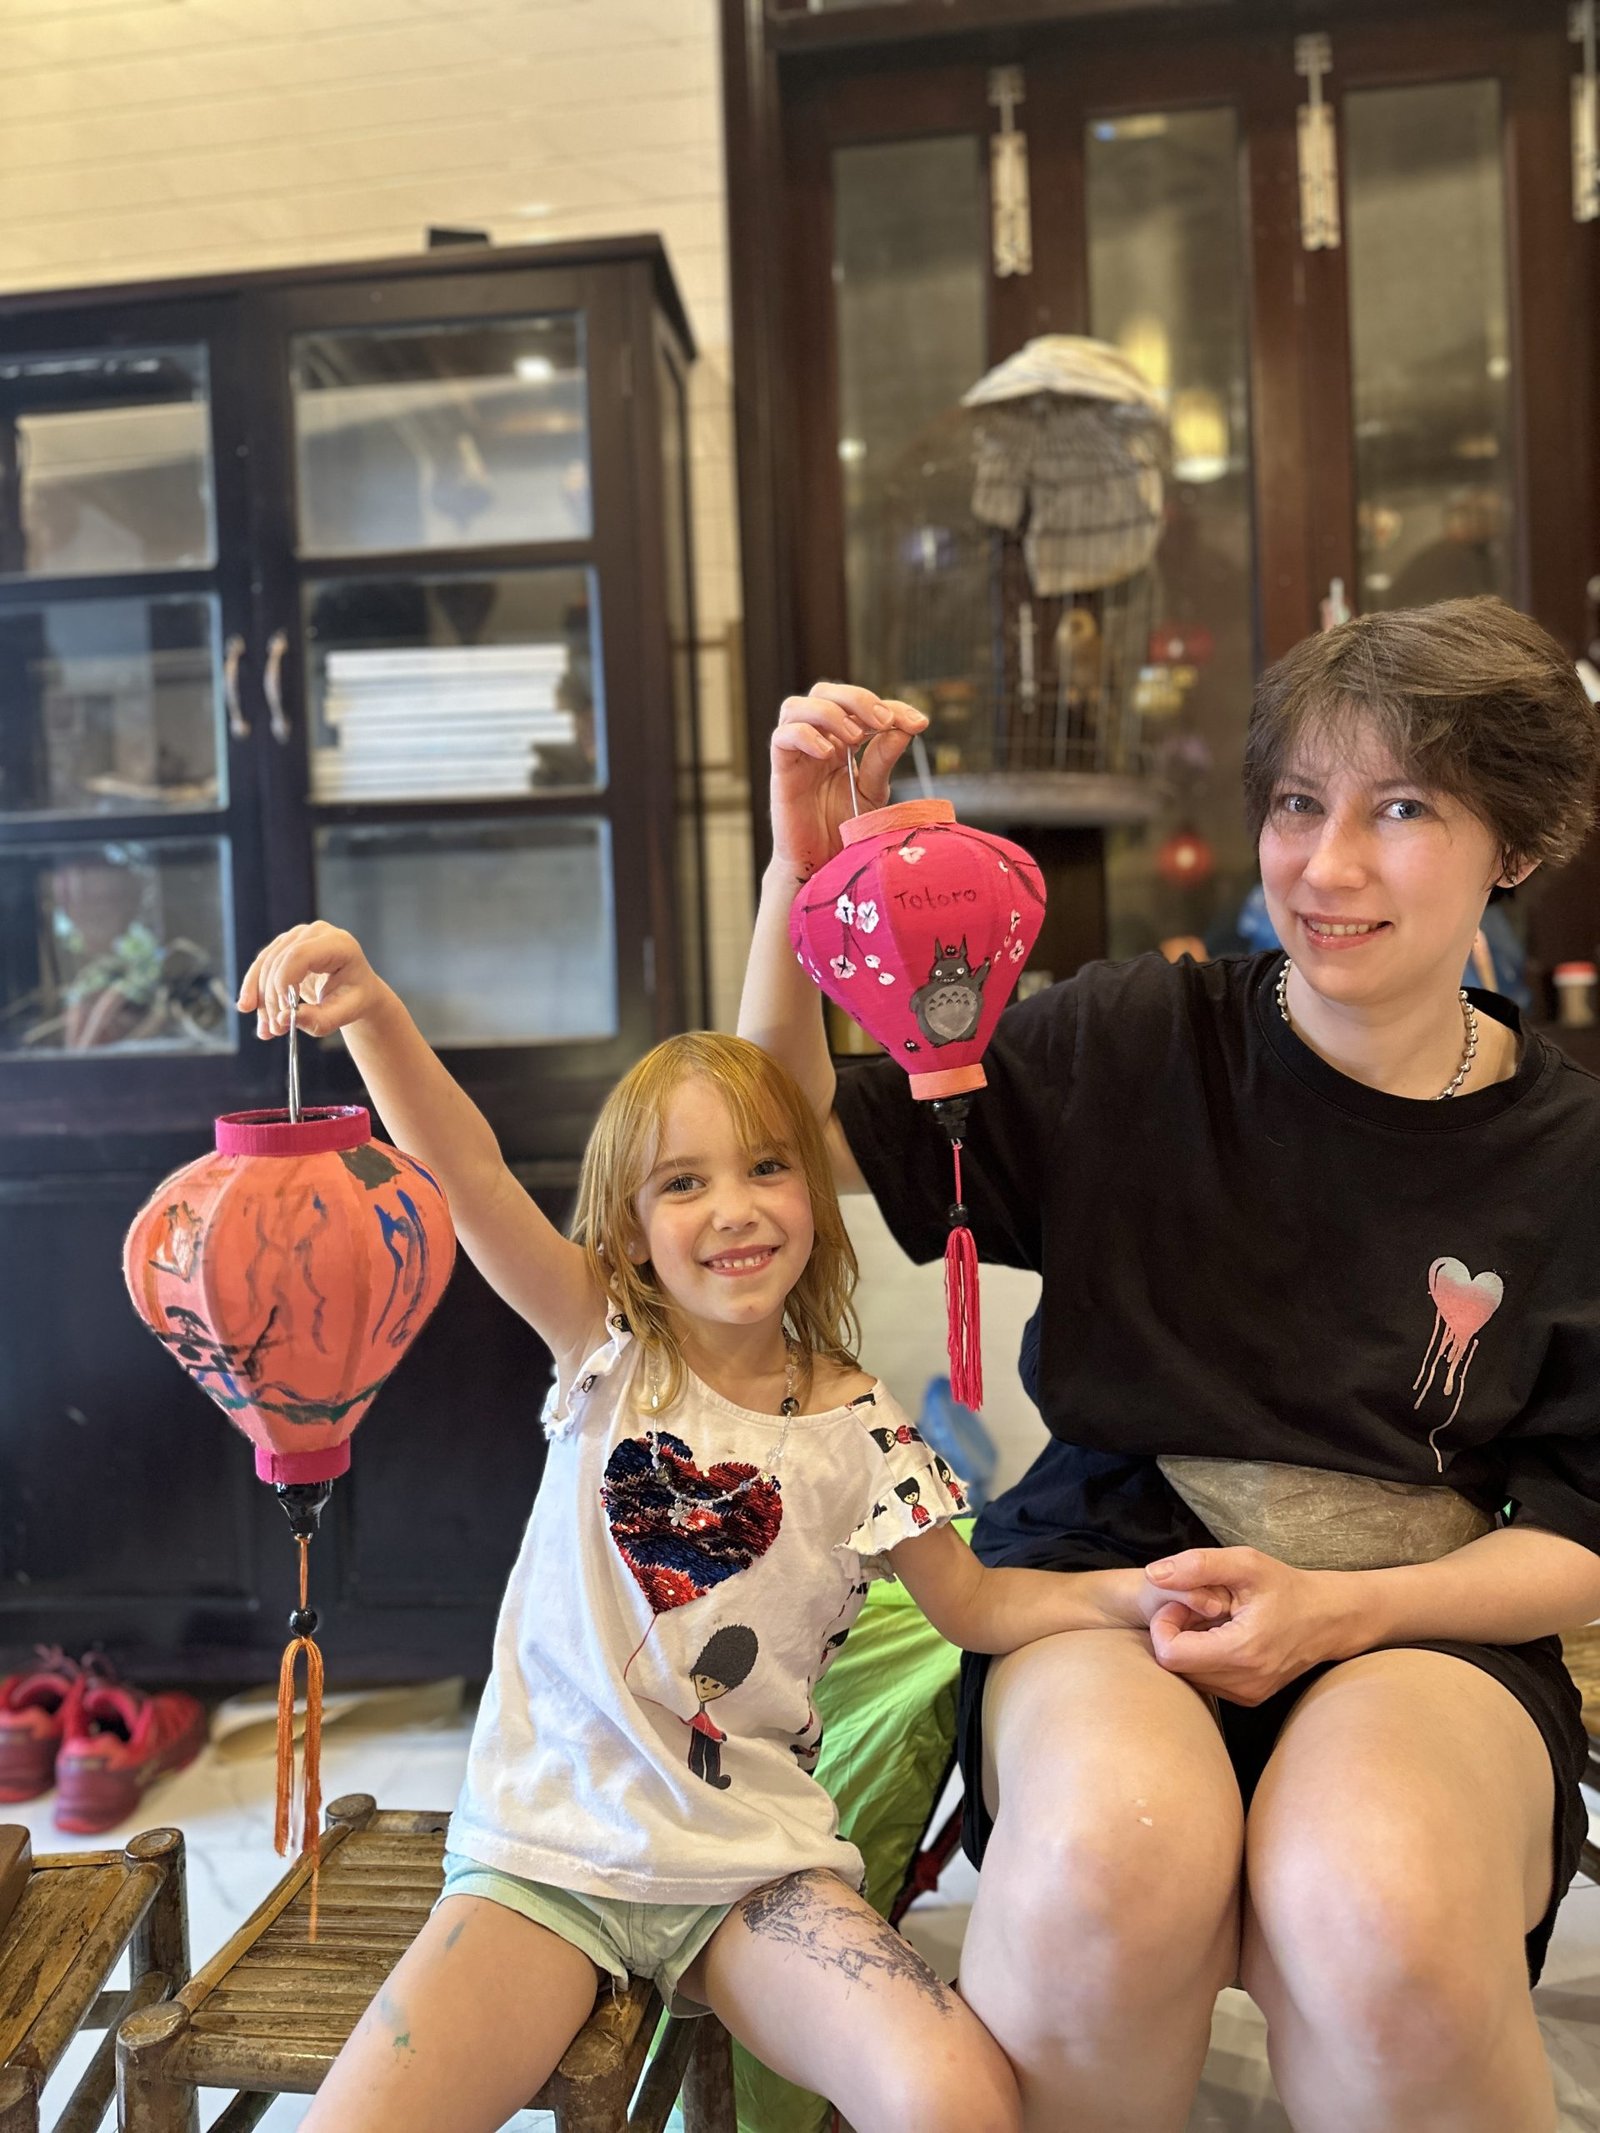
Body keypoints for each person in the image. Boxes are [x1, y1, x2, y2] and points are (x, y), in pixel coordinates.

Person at [738, 595, 1600, 2133]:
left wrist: (1347, 1608)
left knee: (1378, 1907)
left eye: (1401, 808)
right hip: (1106, 1573)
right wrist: (799, 883)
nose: (1325, 867)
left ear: (1516, 847)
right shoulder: (1138, 1035)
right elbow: (773, 1157)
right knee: (1108, 1861)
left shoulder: (1577, 1152)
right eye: (1296, 803)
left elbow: (1584, 1540)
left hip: (1428, 1618)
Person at [234, 929, 1227, 2133]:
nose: (734, 1209)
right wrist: (374, 1015)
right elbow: (468, 1172)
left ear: (812, 1190)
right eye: (682, 1182)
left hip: (751, 1866)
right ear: (631, 1228)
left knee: (956, 2097)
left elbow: (974, 1605)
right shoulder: (604, 1348)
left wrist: (1130, 1597)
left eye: (766, 1166)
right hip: (548, 1861)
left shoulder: (863, 1422)